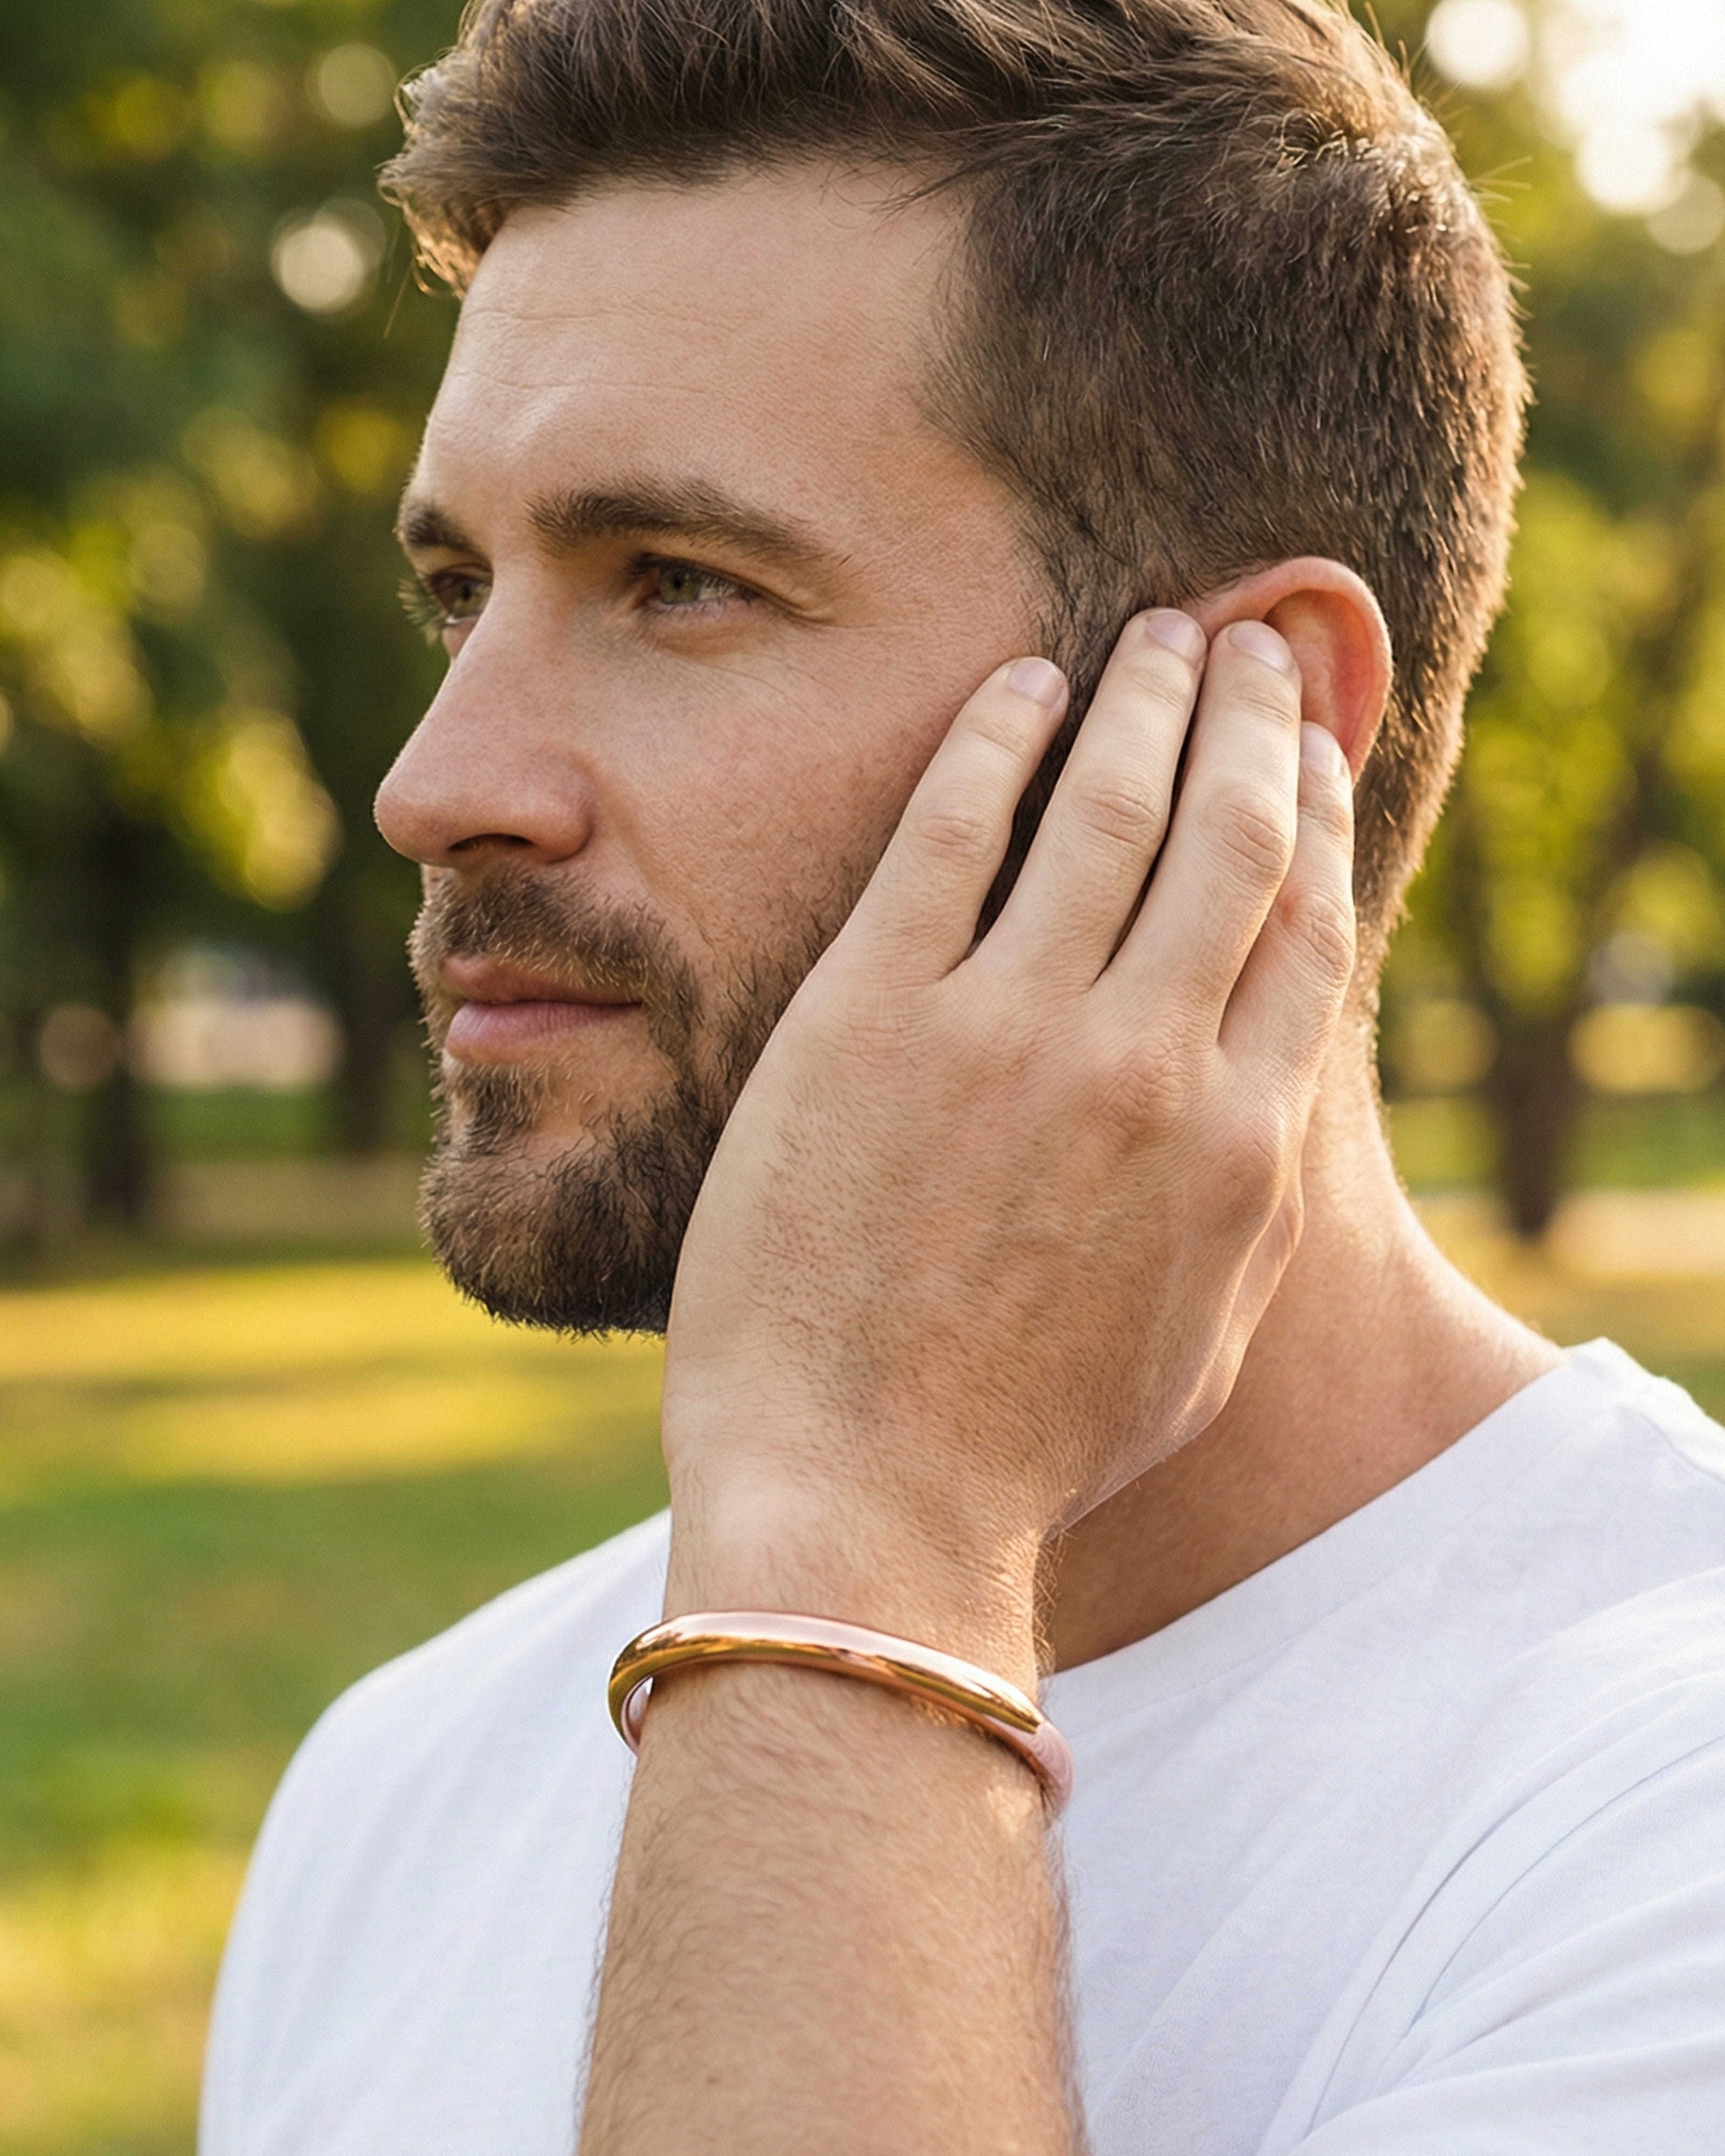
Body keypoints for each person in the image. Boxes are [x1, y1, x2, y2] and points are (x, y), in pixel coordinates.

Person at [200, 2, 1725, 2151]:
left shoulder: (1658, 1832)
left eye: (678, 584)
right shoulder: (395, 1788)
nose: (435, 784)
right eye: (462, 590)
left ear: (1245, 726)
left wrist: (866, 1540)